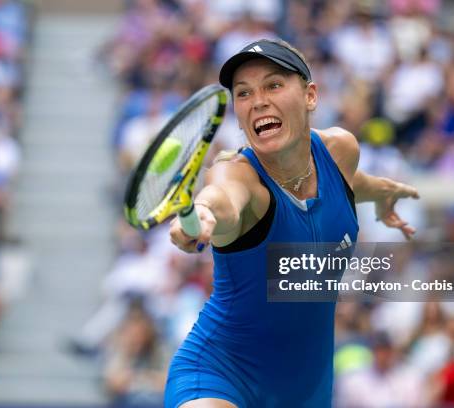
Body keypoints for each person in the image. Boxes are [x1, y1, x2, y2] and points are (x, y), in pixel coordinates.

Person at [165, 39, 419, 407]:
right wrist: (203, 214)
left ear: (310, 96)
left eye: (273, 85)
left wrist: (381, 191)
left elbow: (347, 183)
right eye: (244, 92)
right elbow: (221, 200)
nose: (258, 101)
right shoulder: (238, 177)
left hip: (307, 393)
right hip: (220, 375)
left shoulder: (339, 150)